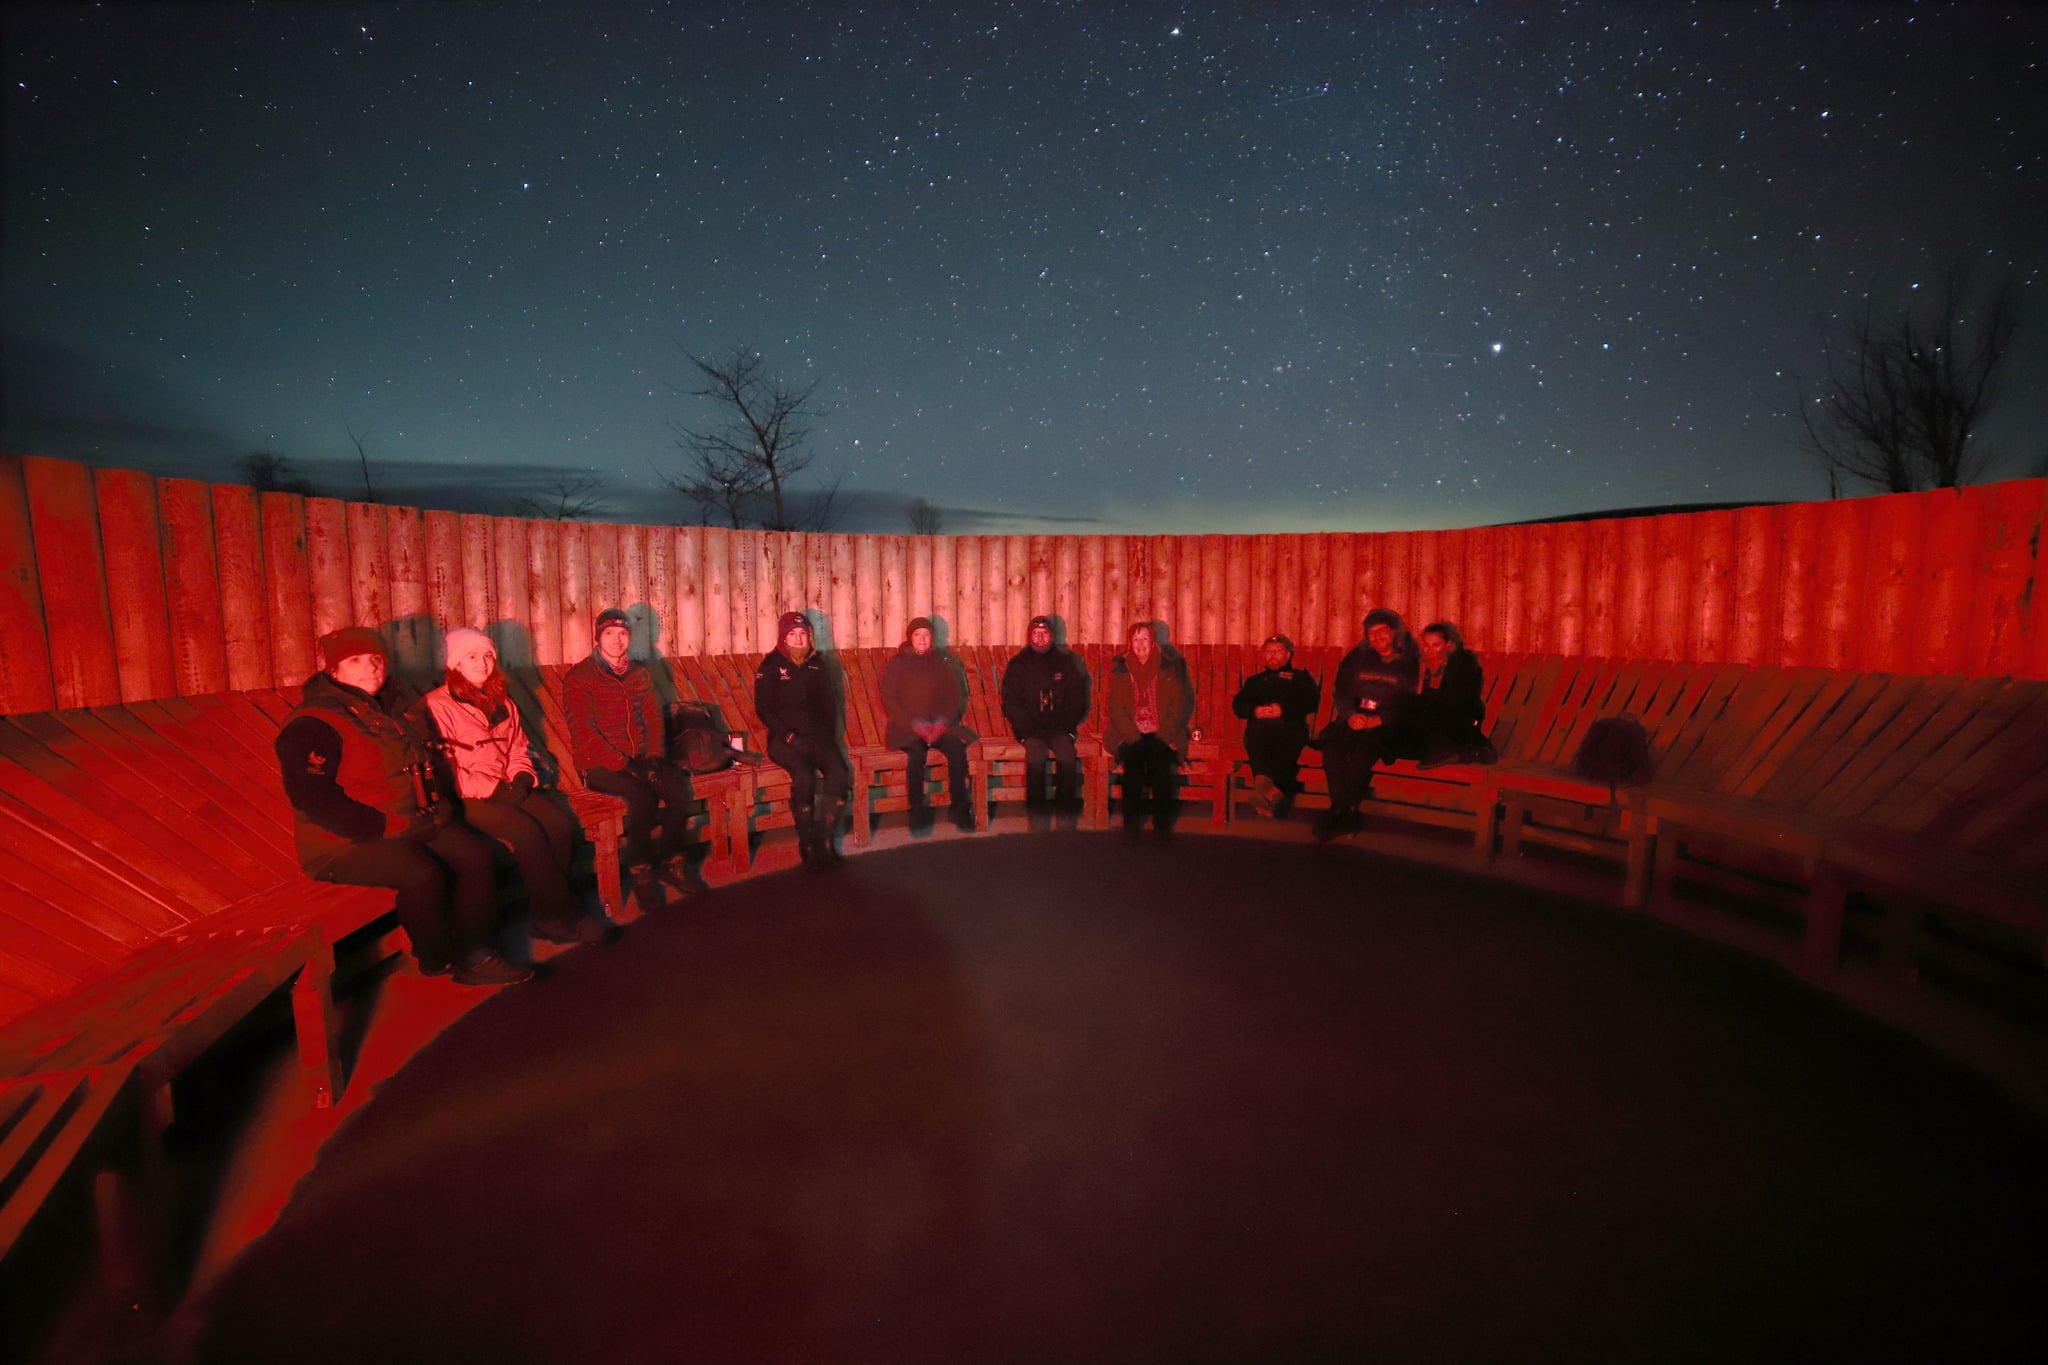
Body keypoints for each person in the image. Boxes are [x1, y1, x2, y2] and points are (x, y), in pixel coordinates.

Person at [274, 627, 531, 986]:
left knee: (476, 855)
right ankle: (436, 956)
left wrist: (439, 810)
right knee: (421, 873)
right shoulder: (314, 722)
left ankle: (479, 955)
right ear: (333, 670)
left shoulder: (394, 707)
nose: (370, 668)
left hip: (412, 821)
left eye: (376, 659)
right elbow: (312, 797)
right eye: (355, 661)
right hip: (346, 841)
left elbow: (425, 762)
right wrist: (389, 827)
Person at [423, 627, 617, 947]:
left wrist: (522, 777)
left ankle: (544, 917)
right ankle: (571, 914)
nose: (482, 663)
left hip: (507, 785)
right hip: (465, 796)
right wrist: (494, 790)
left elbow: (517, 748)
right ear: (454, 663)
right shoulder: (437, 706)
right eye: (472, 657)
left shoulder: (501, 700)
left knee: (557, 823)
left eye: (488, 655)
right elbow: (445, 770)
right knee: (526, 831)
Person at [564, 607, 700, 912]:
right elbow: (585, 734)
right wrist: (626, 765)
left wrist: (653, 758)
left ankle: (673, 863)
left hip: (640, 758)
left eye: (623, 634)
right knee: (640, 797)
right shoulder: (580, 677)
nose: (617, 640)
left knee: (677, 788)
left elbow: (653, 718)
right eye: (609, 634)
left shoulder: (638, 673)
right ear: (597, 638)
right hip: (599, 764)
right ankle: (641, 875)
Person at [755, 611, 852, 869]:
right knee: (804, 777)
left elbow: (829, 705)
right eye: (792, 634)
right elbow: (763, 708)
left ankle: (825, 839)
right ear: (783, 638)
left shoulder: (817, 664)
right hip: (785, 740)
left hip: (817, 739)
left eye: (803, 634)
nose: (798, 639)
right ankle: (806, 842)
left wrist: (826, 738)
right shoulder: (771, 665)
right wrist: (789, 736)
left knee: (839, 773)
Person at [1314, 608, 1420, 842]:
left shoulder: (1408, 662)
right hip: (1355, 718)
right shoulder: (1357, 657)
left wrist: (1377, 720)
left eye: (1382, 631)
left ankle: (1340, 813)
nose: (1376, 637)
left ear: (1394, 632)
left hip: (1386, 725)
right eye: (1371, 633)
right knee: (1332, 748)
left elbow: (1408, 704)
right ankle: (1344, 811)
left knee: (1363, 752)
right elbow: (1341, 692)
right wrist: (1351, 715)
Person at [879, 616, 975, 833]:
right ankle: (916, 810)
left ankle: (959, 808)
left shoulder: (941, 662)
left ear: (932, 638)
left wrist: (942, 723)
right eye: (917, 635)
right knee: (916, 753)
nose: (922, 640)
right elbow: (889, 699)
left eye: (926, 635)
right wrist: (916, 726)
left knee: (957, 750)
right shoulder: (898, 664)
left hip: (938, 727)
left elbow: (954, 696)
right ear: (910, 638)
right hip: (908, 728)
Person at [1103, 621, 1194, 844]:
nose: (1140, 644)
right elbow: (1116, 708)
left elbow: (1177, 706)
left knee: (1160, 768)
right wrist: (1133, 738)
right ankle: (1131, 828)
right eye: (1135, 639)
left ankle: (1162, 828)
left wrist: (1163, 737)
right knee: (1132, 771)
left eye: (1145, 639)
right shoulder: (1121, 668)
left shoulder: (1169, 667)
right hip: (1130, 734)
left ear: (1153, 642)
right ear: (1130, 643)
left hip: (1161, 734)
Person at [1000, 614, 1090, 830]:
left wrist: (1066, 727)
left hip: (1060, 728)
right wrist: (1026, 728)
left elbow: (1077, 698)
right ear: (1029, 636)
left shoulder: (1065, 662)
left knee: (1067, 755)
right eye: (1036, 633)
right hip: (1031, 729)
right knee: (1036, 755)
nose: (1040, 638)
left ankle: (1066, 818)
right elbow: (1010, 702)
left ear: (1052, 636)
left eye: (1045, 633)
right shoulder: (1019, 664)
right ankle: (1038, 820)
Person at [1230, 633, 1321, 817]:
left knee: (1277, 733)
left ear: (1288, 655)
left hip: (1290, 728)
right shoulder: (1254, 681)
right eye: (1268, 651)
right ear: (1263, 655)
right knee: (1258, 729)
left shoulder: (1300, 678)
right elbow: (1238, 705)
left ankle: (1263, 787)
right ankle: (1268, 790)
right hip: (1259, 732)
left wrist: (1283, 710)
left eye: (1278, 651)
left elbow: (1311, 702)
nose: (1272, 655)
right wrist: (1255, 711)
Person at [1384, 621, 1496, 770]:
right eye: (1425, 645)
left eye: (1436, 645)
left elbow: (1458, 702)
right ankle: (1455, 752)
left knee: (1406, 703)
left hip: (1457, 721)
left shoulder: (1462, 663)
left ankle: (1468, 751)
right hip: (1430, 724)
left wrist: (1421, 699)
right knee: (1400, 711)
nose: (1429, 650)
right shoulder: (1421, 663)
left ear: (1448, 645)